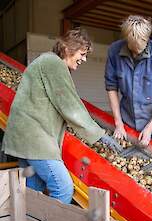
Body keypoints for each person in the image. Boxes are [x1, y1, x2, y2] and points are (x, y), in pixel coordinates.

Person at [2, 28, 122, 204]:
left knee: (33, 191)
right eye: (82, 53)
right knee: (63, 188)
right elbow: (69, 105)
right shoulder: (54, 64)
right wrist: (100, 135)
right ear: (68, 49)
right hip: (35, 139)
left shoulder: (46, 62)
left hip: (24, 138)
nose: (84, 59)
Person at [105, 15, 152, 146]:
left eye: (139, 49)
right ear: (126, 39)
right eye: (132, 48)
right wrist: (118, 122)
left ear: (147, 39)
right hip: (126, 122)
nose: (135, 53)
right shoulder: (114, 51)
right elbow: (111, 87)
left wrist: (150, 128)